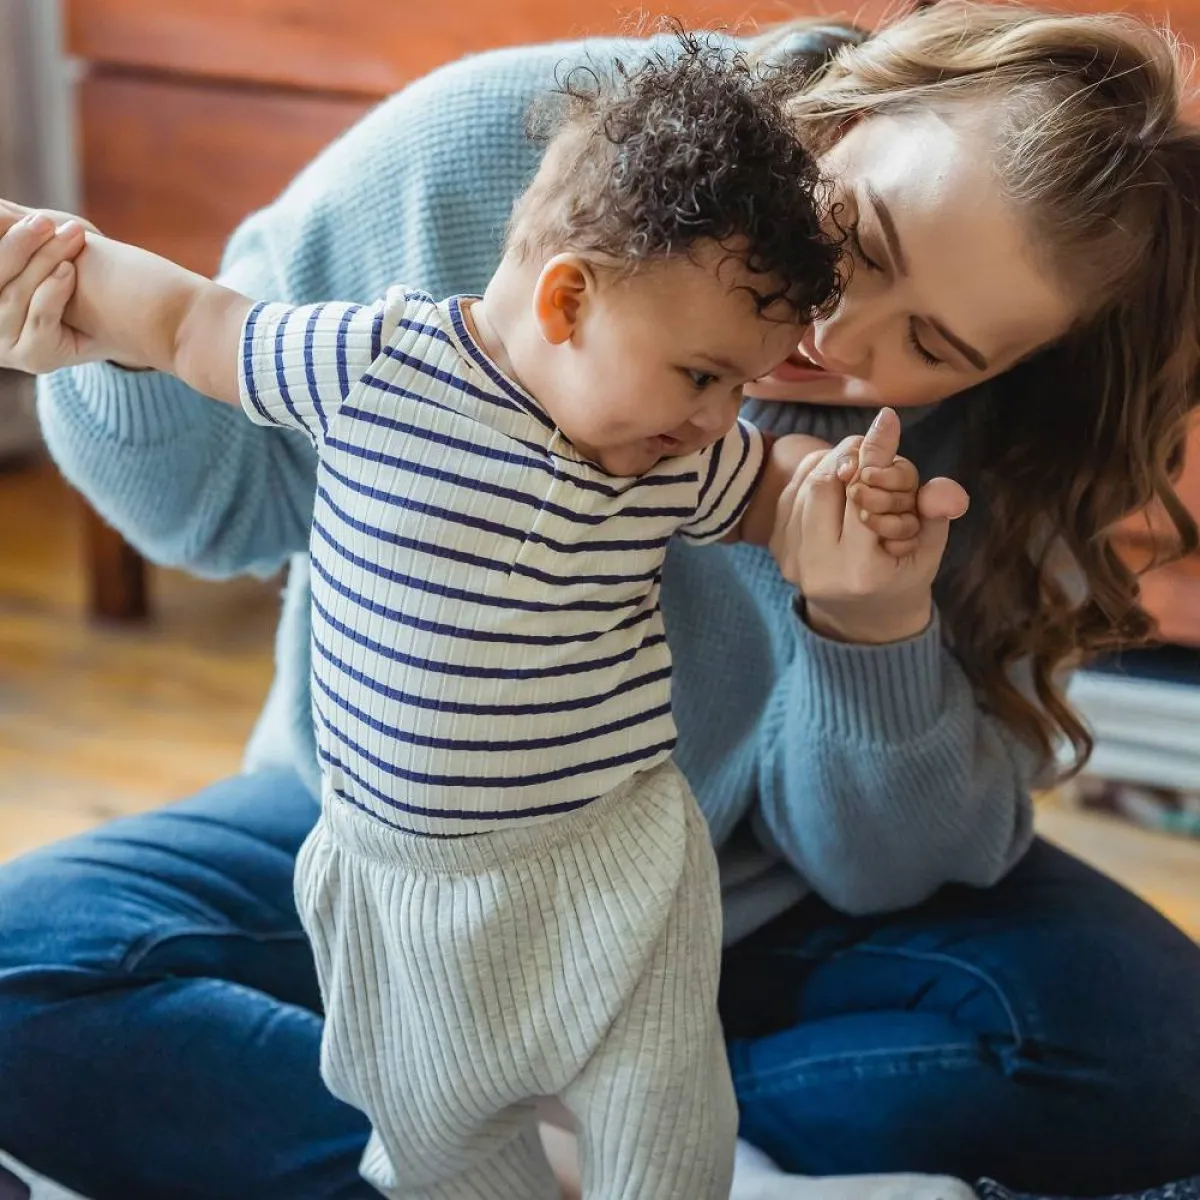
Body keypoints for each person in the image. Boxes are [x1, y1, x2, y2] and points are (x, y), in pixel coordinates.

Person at [0, 3, 1198, 1198]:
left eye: (934, 347)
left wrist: (867, 634)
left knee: (1157, 1053)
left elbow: (883, 874)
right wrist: (102, 337)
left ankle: (630, 1135)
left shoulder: (1015, 448)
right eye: (860, 242)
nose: (836, 335)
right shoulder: (498, 145)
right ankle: (529, 1156)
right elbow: (221, 508)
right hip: (403, 855)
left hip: (736, 905)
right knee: (24, 969)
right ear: (848, 106)